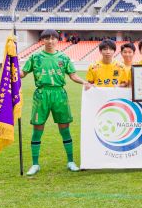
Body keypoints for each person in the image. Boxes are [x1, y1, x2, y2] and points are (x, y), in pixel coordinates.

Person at [20, 29, 90, 176]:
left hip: (59, 95)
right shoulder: (35, 57)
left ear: (58, 40)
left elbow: (73, 75)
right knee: (37, 129)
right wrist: (11, 71)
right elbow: (23, 74)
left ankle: (70, 161)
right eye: (47, 38)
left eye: (53, 38)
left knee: (65, 128)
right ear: (42, 40)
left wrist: (84, 82)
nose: (50, 41)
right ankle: (35, 164)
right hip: (42, 95)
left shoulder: (63, 57)